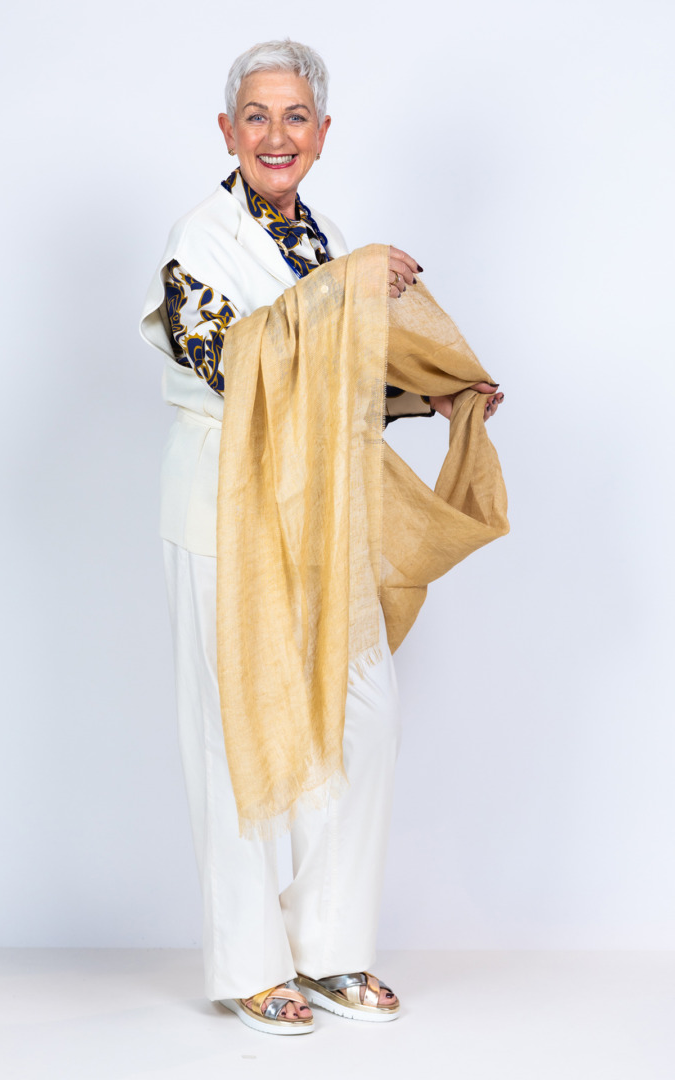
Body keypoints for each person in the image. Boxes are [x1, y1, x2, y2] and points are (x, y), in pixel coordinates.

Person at [140, 39, 504, 1036]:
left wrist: (434, 398)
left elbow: (335, 385)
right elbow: (231, 364)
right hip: (221, 502)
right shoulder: (199, 238)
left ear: (324, 133)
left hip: (318, 505)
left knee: (363, 719)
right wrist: (346, 287)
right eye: (257, 116)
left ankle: (331, 947)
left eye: (296, 116)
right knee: (232, 731)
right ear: (227, 131)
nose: (277, 134)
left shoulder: (326, 238)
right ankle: (251, 964)